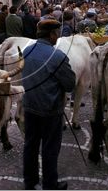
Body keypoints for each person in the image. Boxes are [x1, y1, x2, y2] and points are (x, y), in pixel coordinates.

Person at [22, 20, 76, 190]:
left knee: (30, 145)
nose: (58, 35)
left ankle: (29, 181)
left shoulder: (26, 50)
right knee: (50, 148)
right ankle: (50, 184)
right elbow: (70, 85)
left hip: (29, 106)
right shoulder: (57, 56)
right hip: (50, 110)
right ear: (52, 34)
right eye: (57, 32)